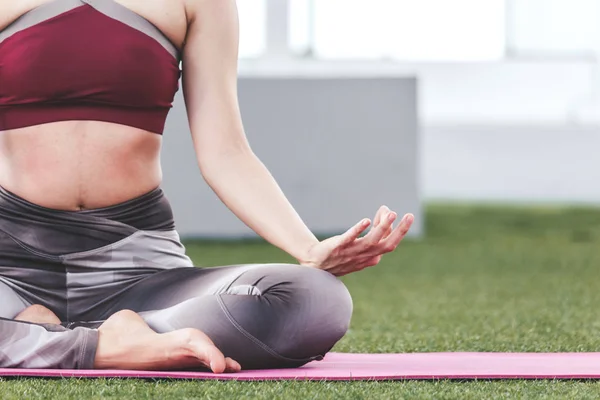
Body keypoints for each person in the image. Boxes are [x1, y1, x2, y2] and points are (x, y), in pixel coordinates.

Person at [0, 0, 414, 373]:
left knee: (317, 300)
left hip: (139, 272)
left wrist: (308, 249)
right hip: (9, 267)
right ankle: (113, 346)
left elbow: (226, 152)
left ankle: (38, 339)